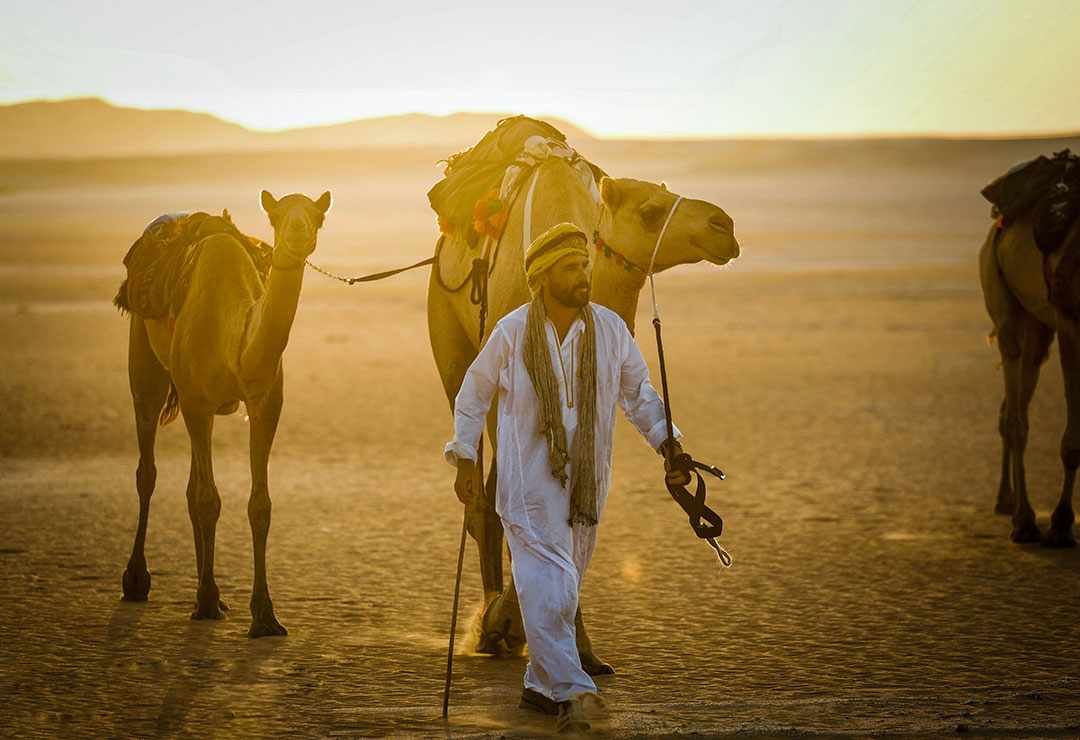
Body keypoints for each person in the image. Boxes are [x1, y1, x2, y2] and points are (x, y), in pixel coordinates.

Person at [444, 222, 692, 733]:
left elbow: (639, 394)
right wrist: (466, 456)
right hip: (526, 486)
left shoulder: (610, 330)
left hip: (586, 487)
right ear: (542, 278)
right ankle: (577, 695)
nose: (583, 276)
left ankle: (539, 688)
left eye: (584, 265)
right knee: (548, 586)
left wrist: (668, 442)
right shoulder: (512, 332)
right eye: (571, 268)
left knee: (564, 586)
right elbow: (474, 391)